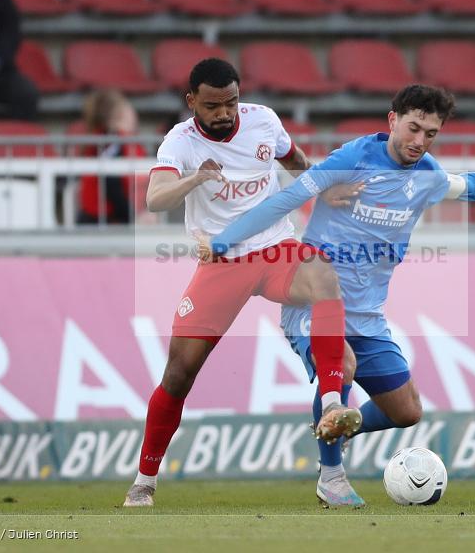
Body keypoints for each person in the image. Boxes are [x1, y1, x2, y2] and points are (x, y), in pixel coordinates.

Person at [201, 84, 475, 507]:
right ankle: (331, 476)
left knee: (406, 411)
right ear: (392, 120)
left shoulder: (425, 175)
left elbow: (473, 185)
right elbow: (286, 200)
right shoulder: (353, 159)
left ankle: (335, 425)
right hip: (314, 301)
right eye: (413, 128)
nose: (419, 141)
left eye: (430, 133)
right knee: (344, 365)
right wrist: (225, 241)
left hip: (368, 316)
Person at [123, 58, 360, 507]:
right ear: (192, 101)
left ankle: (332, 402)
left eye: (231, 101)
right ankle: (144, 480)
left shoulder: (264, 120)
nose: (225, 113)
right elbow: (155, 199)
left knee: (324, 274)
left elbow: (296, 161)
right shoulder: (180, 141)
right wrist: (196, 178)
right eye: (213, 105)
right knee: (178, 375)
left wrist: (322, 189)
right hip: (222, 261)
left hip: (275, 249)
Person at [77, 89, 146, 225]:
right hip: (100, 222)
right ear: (118, 115)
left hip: (107, 219)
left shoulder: (105, 141)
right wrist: (132, 217)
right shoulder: (111, 143)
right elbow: (111, 185)